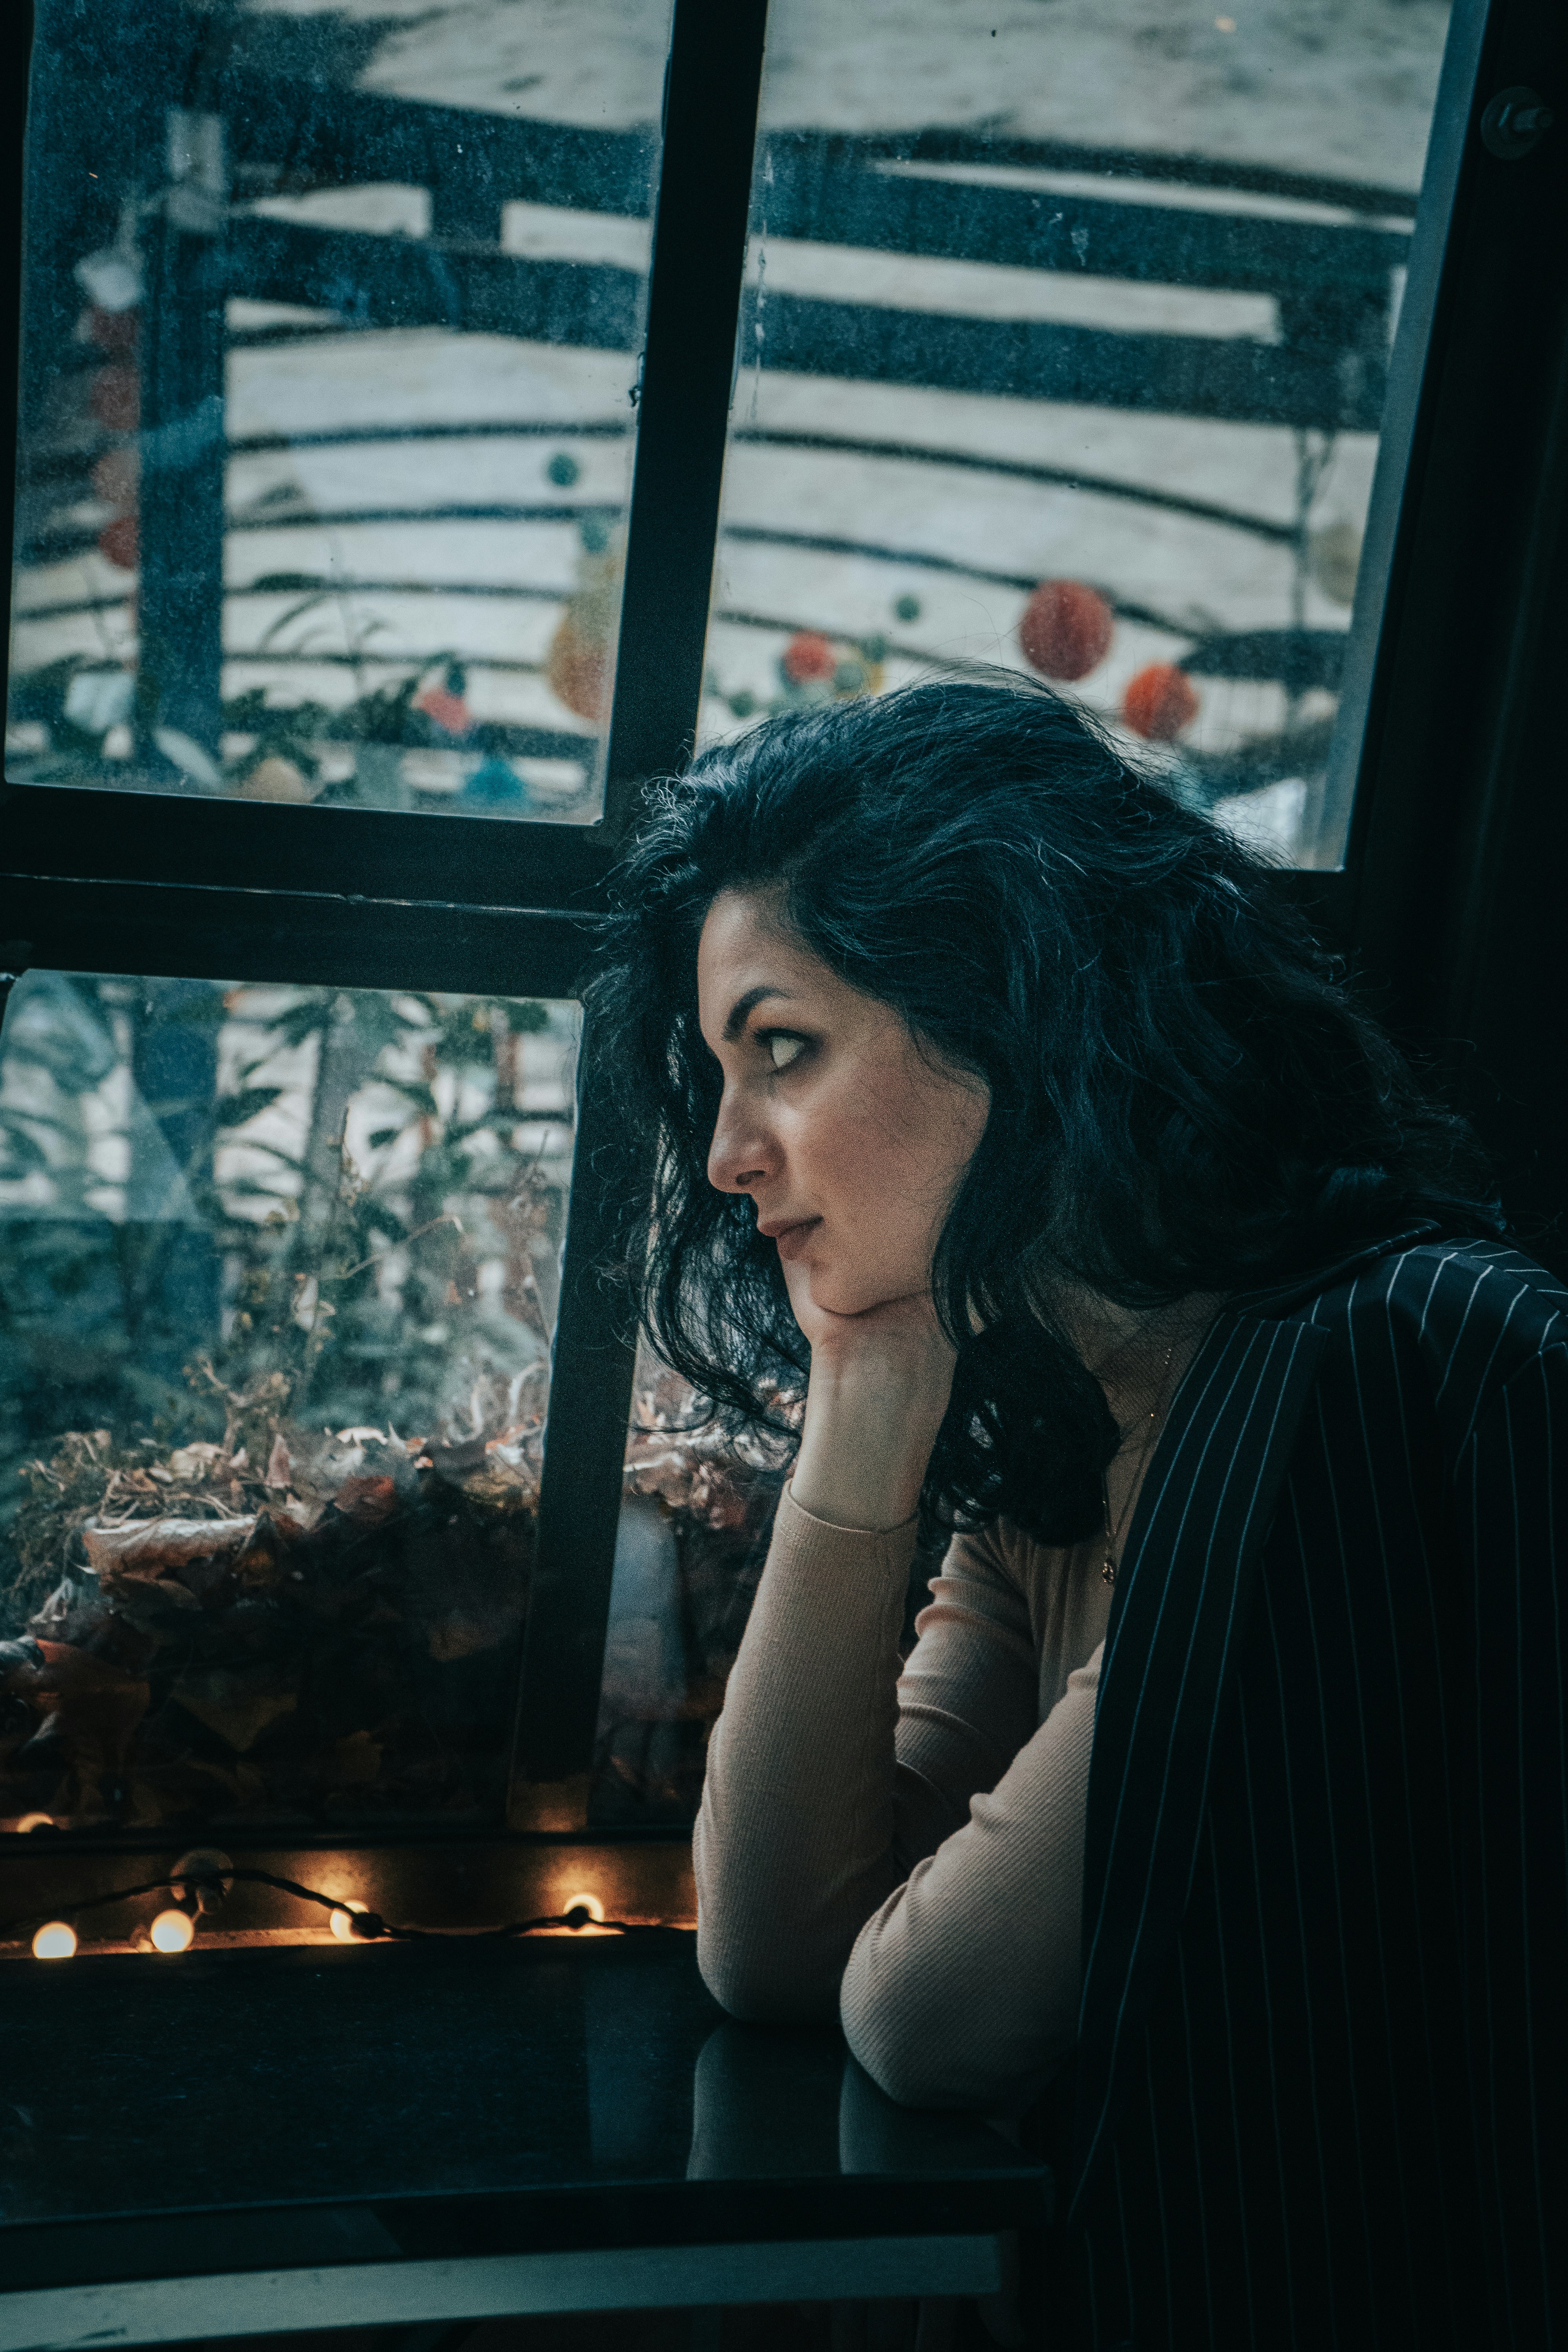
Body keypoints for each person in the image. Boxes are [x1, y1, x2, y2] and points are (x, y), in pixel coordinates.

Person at [585, 676, 1566, 2350]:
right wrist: (870, 1397)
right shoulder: (1059, 1436)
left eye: (786, 1049)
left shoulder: (1352, 1378)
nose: (728, 1155)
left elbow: (921, 2018)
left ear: (1015, 1019)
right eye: (718, 1075)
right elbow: (774, 1949)